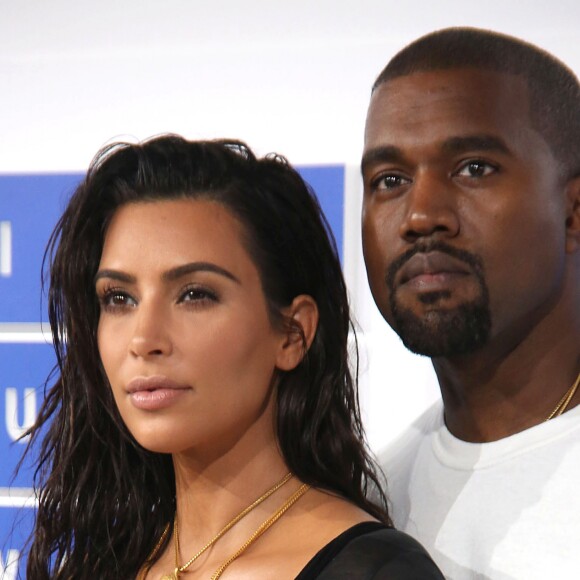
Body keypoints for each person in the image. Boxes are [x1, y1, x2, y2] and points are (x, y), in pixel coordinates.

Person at [23, 135, 444, 579]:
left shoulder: (376, 571)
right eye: (119, 298)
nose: (144, 339)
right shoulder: (100, 564)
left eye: (194, 294)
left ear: (292, 333)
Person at [361, 26, 580, 579]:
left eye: (474, 168)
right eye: (389, 180)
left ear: (573, 213)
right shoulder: (367, 506)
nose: (420, 215)